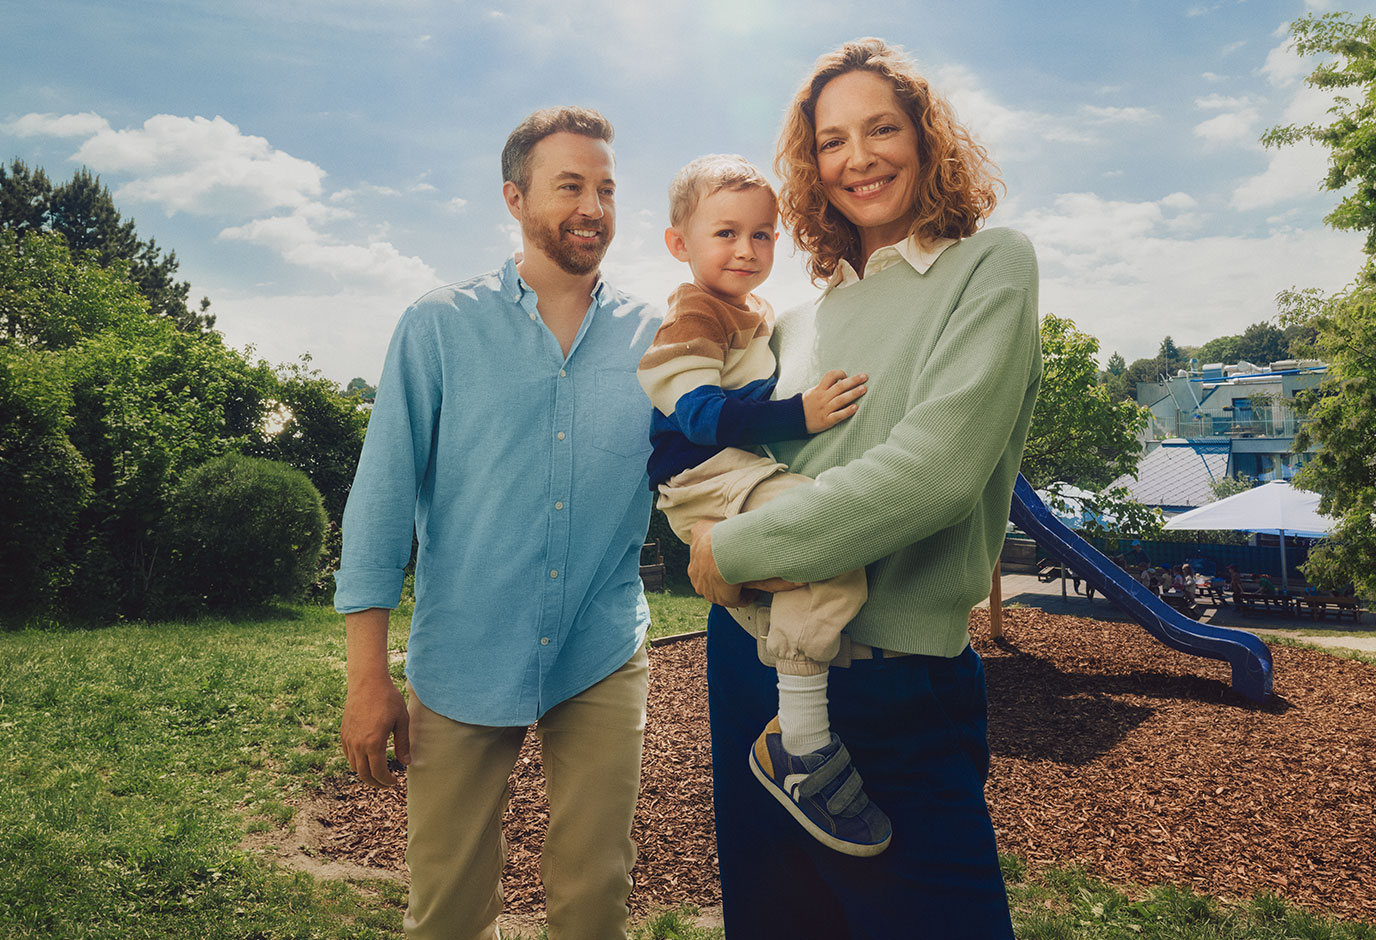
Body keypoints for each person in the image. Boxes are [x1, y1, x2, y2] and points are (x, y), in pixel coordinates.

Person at [686, 38, 1041, 939]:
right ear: (812, 168)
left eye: (883, 128)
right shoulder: (798, 318)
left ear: (927, 140)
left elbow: (934, 474)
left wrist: (732, 548)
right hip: (747, 668)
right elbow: (746, 462)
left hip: (894, 683)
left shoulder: (988, 267)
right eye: (832, 141)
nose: (859, 158)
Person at [334, 107, 661, 940]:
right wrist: (367, 677)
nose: (593, 207)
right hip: (463, 656)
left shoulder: (659, 340)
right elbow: (379, 502)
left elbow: (709, 467)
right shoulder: (439, 326)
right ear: (515, 198)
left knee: (595, 906)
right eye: (570, 186)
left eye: (607, 189)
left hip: (600, 648)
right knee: (446, 912)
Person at [638, 154, 888, 856]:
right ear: (679, 244)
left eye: (763, 235)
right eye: (725, 234)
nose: (747, 250)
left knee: (814, 560)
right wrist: (796, 415)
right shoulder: (694, 312)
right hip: (705, 476)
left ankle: (754, 605)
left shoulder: (752, 312)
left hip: (733, 474)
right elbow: (700, 417)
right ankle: (800, 743)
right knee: (830, 542)